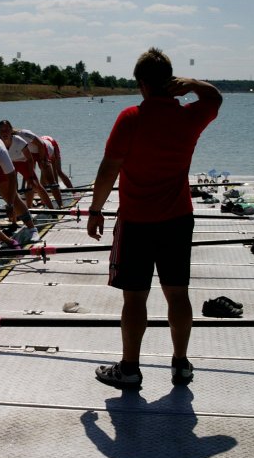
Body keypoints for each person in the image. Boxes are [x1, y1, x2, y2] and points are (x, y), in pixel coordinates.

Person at [86, 47, 222, 388]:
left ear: (142, 84)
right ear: (172, 81)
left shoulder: (131, 118)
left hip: (136, 223)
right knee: (178, 294)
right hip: (178, 219)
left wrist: (95, 210)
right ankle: (181, 365)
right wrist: (193, 83)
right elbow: (215, 98)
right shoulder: (189, 117)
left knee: (134, 298)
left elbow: (108, 170)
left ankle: (130, 369)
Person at [0, 121, 55, 210]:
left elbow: (30, 159)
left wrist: (31, 176)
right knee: (11, 189)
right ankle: (15, 214)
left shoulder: (18, 140)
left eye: (7, 130)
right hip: (9, 163)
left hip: (23, 162)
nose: (4, 133)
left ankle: (52, 210)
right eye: (2, 130)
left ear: (11, 130)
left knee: (36, 185)